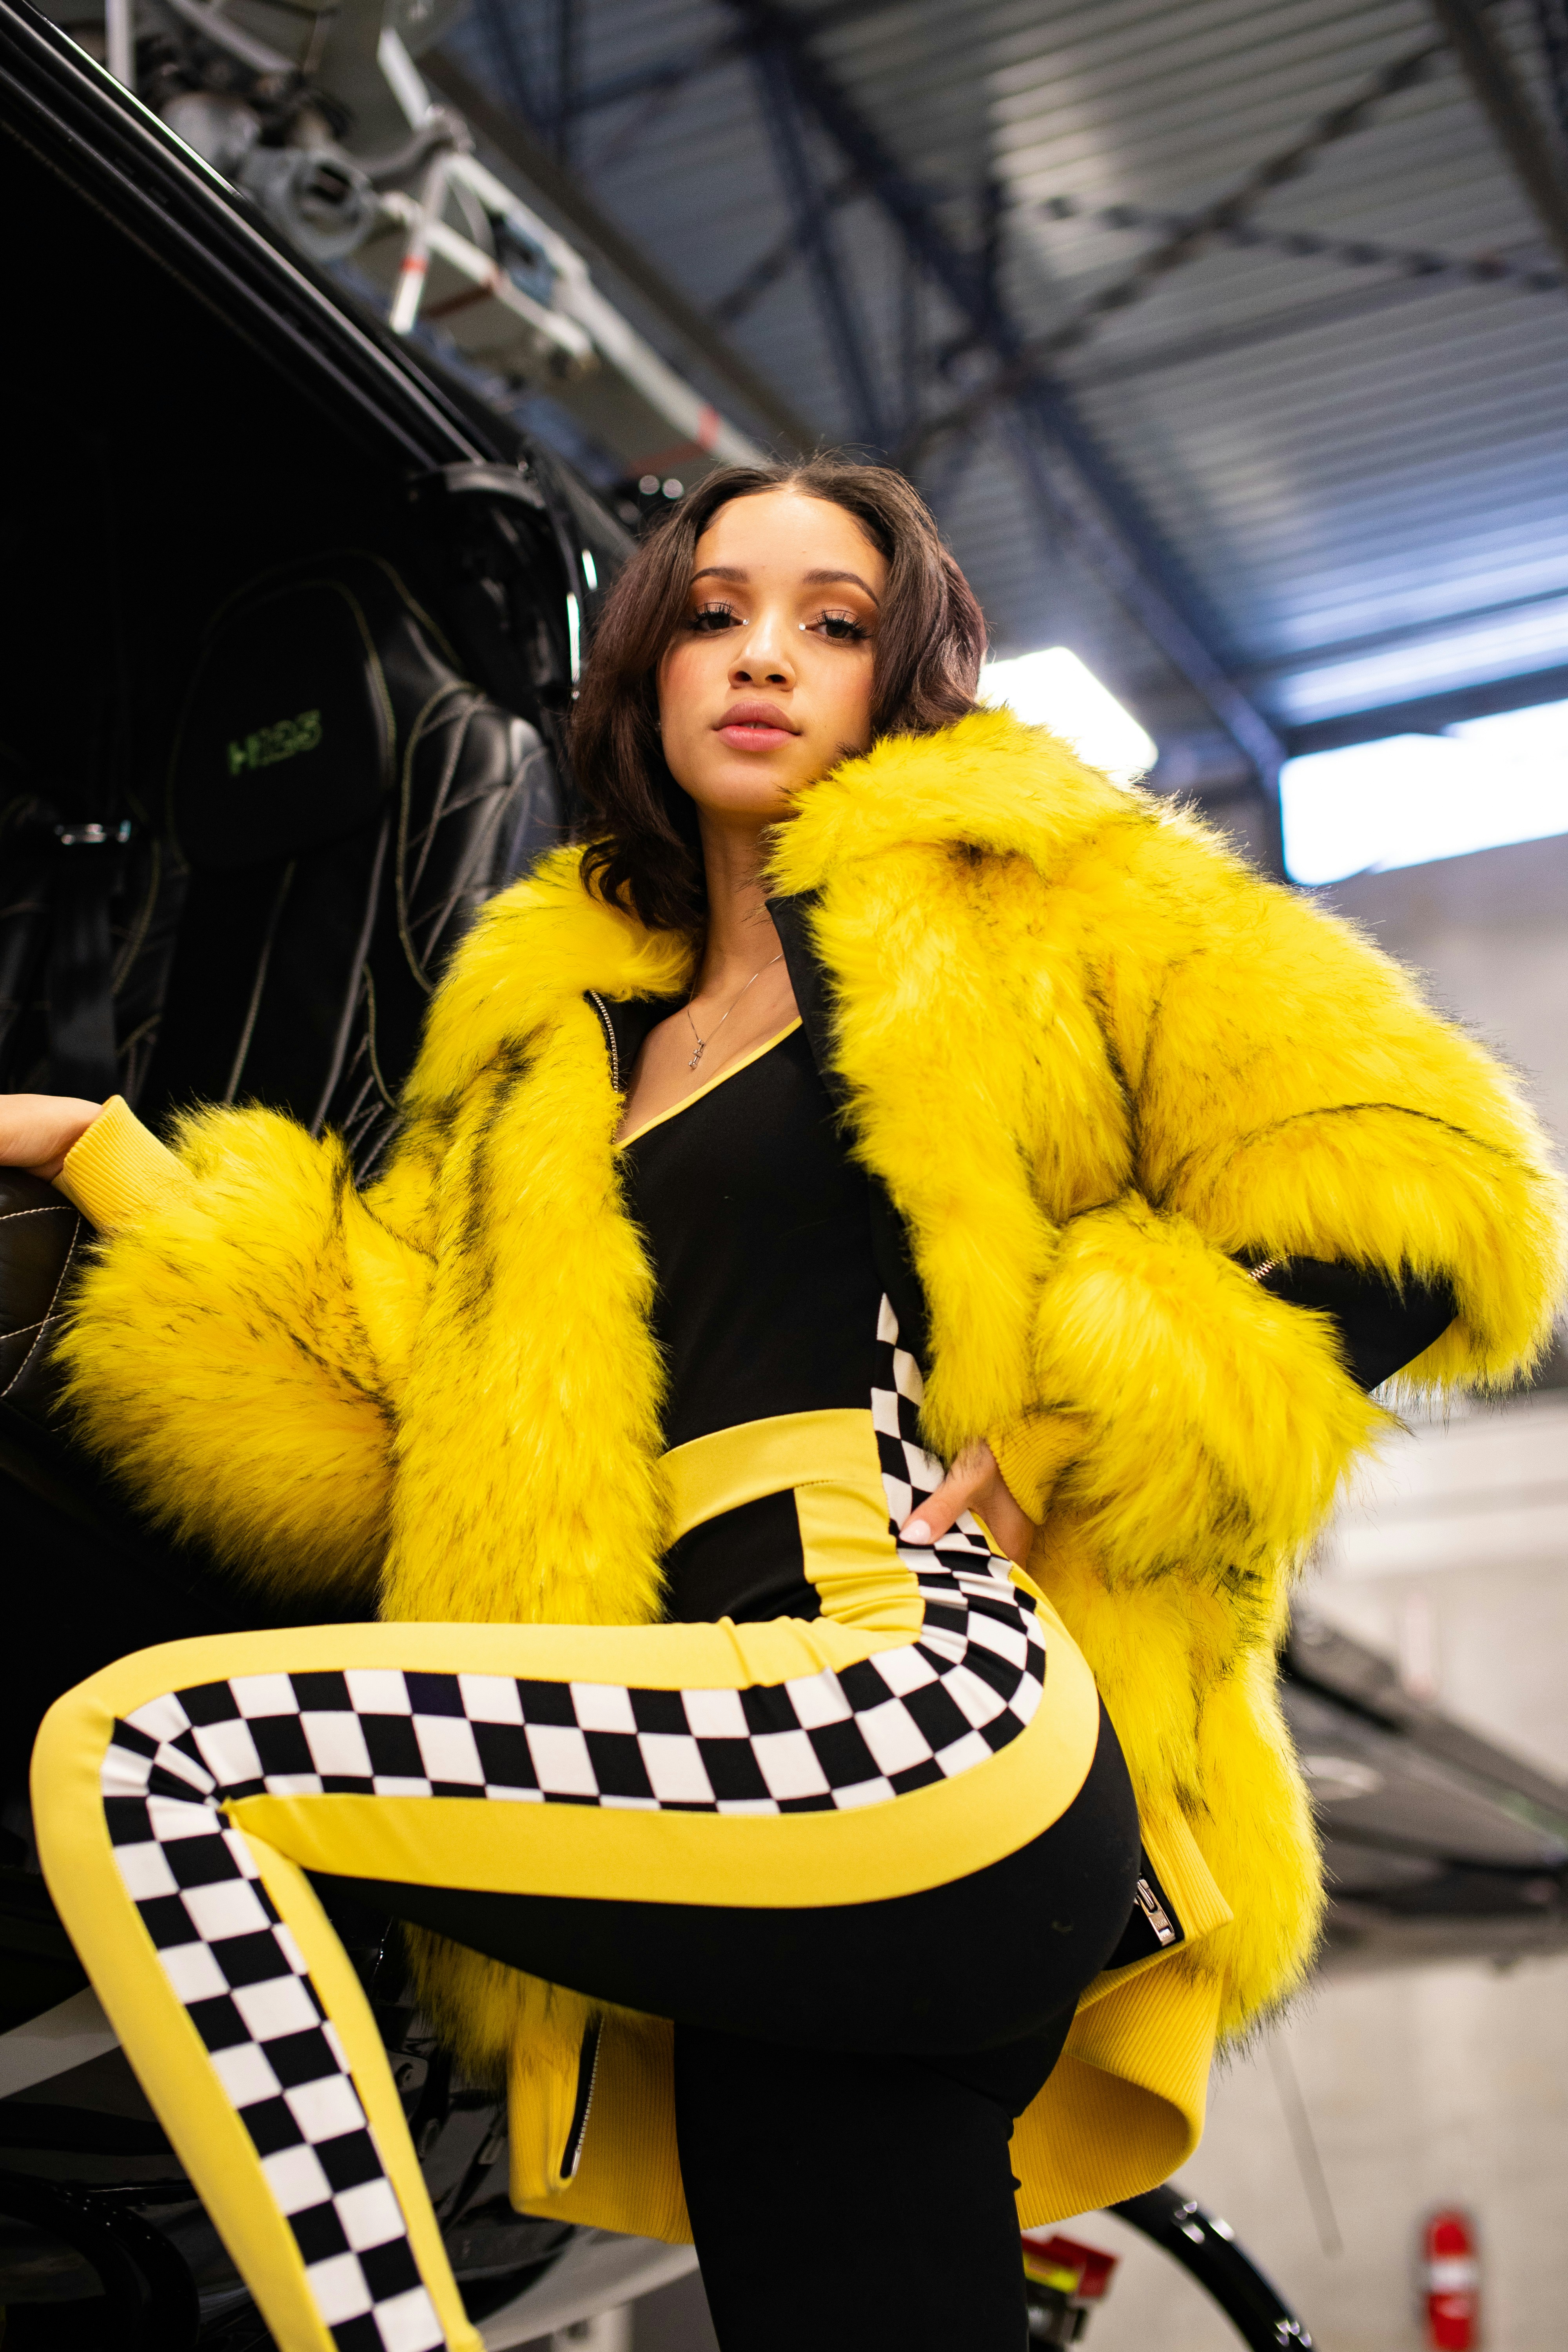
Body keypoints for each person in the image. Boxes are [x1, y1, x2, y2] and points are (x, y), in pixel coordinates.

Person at [7, 458, 1562, 2352]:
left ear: (900, 678)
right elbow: (369, 1391)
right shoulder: (547, 1049)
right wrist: (94, 1148)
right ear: (647, 671)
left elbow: (1430, 1192)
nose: (764, 658)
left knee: (155, 1761)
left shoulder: (1031, 889)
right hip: (712, 1762)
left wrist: (1069, 1422)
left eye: (832, 625)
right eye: (715, 613)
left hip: (921, 1694)